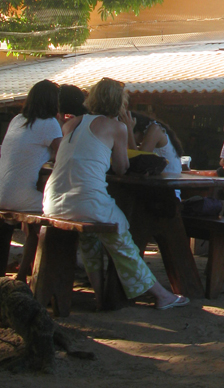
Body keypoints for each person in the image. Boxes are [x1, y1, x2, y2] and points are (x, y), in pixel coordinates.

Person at [43, 77, 188, 310]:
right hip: (87, 200)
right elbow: (122, 168)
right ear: (119, 102)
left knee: (90, 238)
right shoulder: (116, 127)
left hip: (51, 201)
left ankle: (101, 295)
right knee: (121, 236)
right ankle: (161, 295)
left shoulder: (71, 124)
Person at [0, 79, 62, 213]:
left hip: (2, 194)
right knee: (63, 207)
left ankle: (31, 235)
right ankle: (37, 235)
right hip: (18, 199)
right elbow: (64, 156)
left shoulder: (17, 120)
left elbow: (31, 150)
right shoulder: (50, 123)